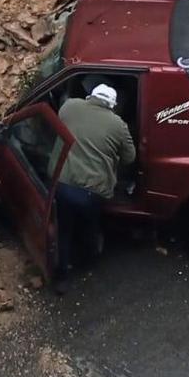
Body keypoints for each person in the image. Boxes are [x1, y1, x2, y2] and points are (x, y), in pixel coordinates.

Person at [53, 84, 136, 294]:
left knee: (64, 231)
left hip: (63, 184)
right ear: (112, 105)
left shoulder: (70, 107)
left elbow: (58, 123)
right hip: (93, 192)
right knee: (90, 225)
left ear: (91, 96)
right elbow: (130, 157)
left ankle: (62, 275)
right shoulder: (118, 125)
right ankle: (88, 257)